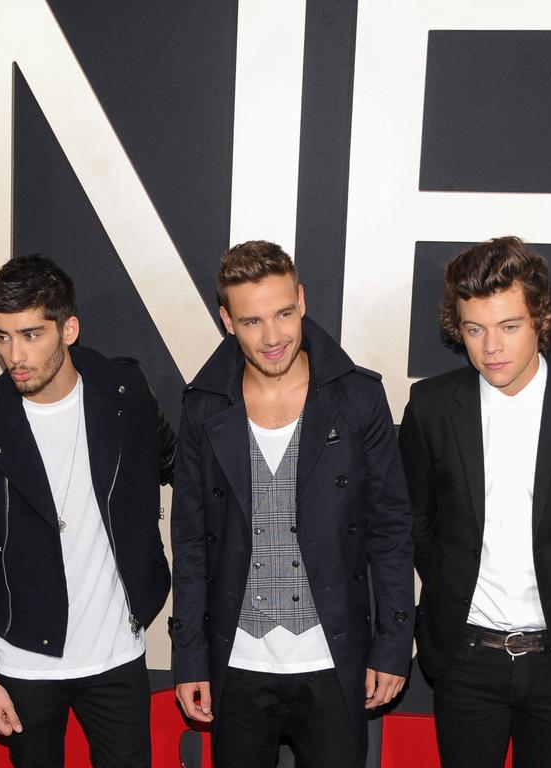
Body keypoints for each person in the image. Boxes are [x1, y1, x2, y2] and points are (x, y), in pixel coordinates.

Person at [170, 241, 414, 767]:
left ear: (302, 300)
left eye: (283, 313)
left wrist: (393, 643)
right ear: (227, 321)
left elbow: (391, 529)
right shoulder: (202, 408)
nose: (273, 336)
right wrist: (189, 656)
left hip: (333, 654)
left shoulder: (358, 400)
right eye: (253, 321)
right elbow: (190, 542)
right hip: (237, 659)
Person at [0, 254, 176, 767]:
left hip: (116, 652)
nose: (14, 355)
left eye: (30, 335)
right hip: (23, 660)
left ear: (68, 328)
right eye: (1, 337)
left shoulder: (125, 392)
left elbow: (171, 463)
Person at [399, 236, 551, 768]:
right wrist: (446, 580)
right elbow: (415, 516)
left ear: (541, 319)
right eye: (474, 329)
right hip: (466, 659)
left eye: (509, 326)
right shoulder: (433, 406)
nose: (491, 348)